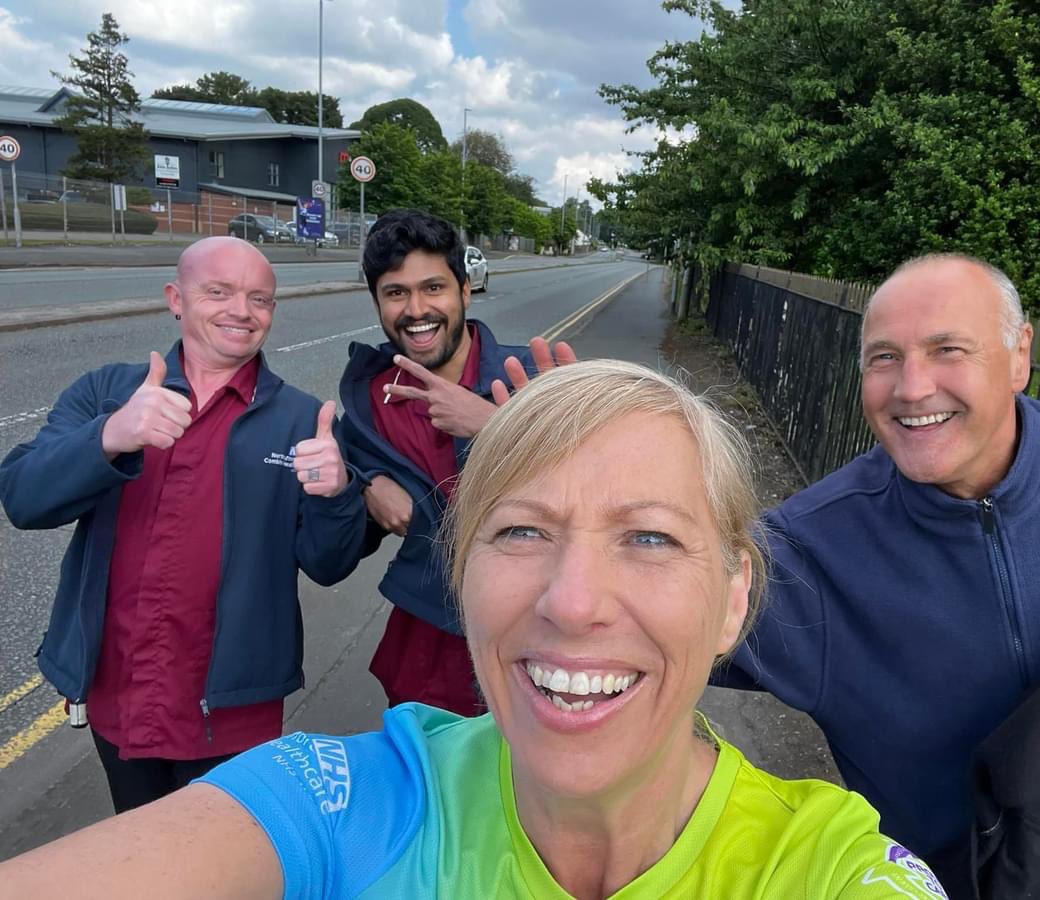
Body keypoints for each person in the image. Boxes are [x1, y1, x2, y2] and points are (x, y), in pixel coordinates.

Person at [0, 360, 947, 899]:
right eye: (522, 531)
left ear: (734, 597)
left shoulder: (828, 868)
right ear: (462, 571)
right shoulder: (338, 800)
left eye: (650, 536)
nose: (574, 602)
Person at [721, 252, 1040, 891]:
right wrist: (577, 502)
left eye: (948, 349)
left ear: (1019, 355)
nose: (913, 387)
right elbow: (627, 630)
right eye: (884, 357)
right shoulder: (805, 553)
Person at [0, 236, 366, 813]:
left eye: (259, 299)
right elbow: (24, 500)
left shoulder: (302, 418)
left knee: (224, 859)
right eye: (218, 292)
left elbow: (329, 563)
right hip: (121, 692)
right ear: (176, 298)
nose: (241, 312)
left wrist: (338, 493)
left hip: (235, 706)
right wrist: (111, 436)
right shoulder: (108, 394)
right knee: (143, 846)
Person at [338, 208, 573, 715]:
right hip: (429, 647)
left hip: (541, 637)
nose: (416, 309)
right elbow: (330, 552)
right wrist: (361, 484)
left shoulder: (532, 377)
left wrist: (493, 425)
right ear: (378, 303)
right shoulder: (367, 402)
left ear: (466, 291)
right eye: (396, 293)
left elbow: (608, 493)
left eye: (434, 288)